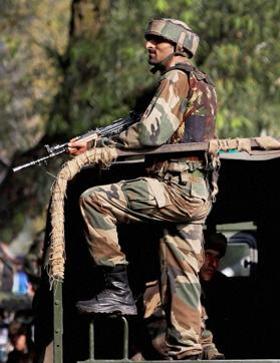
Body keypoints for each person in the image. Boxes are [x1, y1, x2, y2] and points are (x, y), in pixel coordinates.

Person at [69, 18, 218, 360]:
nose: (150, 46)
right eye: (148, 39)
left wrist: (101, 143)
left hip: (174, 187)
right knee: (182, 277)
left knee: (94, 200)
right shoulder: (202, 82)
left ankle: (116, 288)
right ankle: (196, 351)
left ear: (179, 47)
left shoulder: (175, 78)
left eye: (159, 41)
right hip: (197, 192)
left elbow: (151, 134)